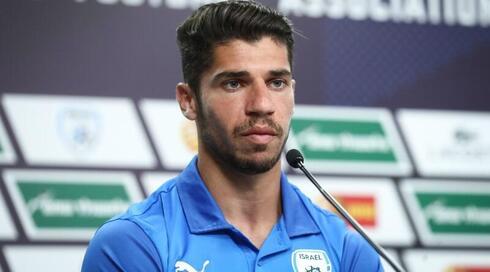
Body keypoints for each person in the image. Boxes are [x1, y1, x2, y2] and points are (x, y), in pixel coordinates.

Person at [82, 1, 383, 271]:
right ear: (189, 100)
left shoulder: (347, 250)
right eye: (234, 84)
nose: (262, 105)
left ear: (292, 91)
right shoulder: (133, 244)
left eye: (276, 82)